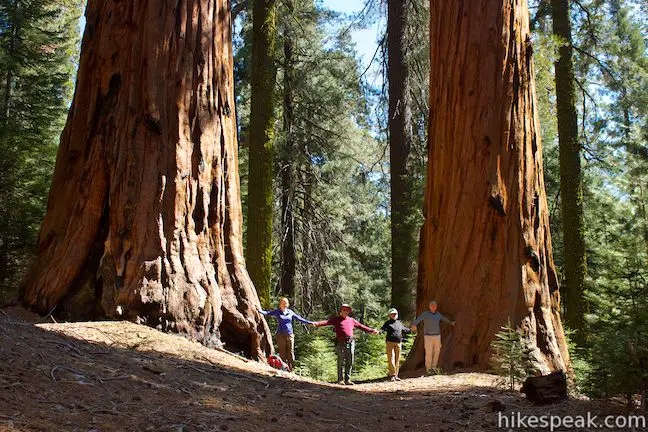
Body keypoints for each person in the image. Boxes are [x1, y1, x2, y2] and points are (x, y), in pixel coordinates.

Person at [313, 304, 379, 385]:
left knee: (350, 361)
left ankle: (347, 379)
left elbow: (361, 326)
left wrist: (372, 330)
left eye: (347, 310)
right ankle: (340, 380)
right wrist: (316, 324)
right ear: (340, 311)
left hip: (351, 342)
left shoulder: (351, 320)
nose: (345, 311)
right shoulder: (336, 319)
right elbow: (326, 322)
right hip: (340, 343)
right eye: (344, 310)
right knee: (340, 361)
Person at [258, 297, 313, 371]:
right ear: (280, 304)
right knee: (282, 352)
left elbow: (299, 318)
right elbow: (268, 313)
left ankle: (291, 369)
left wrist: (309, 323)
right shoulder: (277, 312)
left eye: (286, 303)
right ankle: (283, 368)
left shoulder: (290, 312)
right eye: (283, 303)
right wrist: (259, 311)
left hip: (290, 334)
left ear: (288, 304)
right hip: (280, 335)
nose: (284, 304)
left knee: (290, 352)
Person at [410, 300, 456, 374]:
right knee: (429, 352)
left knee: (437, 351)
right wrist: (413, 324)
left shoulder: (438, 314)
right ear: (429, 307)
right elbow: (418, 319)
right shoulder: (425, 314)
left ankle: (434, 368)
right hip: (428, 336)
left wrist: (451, 323)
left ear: (436, 307)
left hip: (437, 336)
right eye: (432, 305)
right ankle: (428, 369)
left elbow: (444, 319)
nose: (433, 307)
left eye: (435, 306)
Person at [379, 308, 411, 381]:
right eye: (392, 314)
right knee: (391, 358)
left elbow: (405, 329)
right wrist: (379, 332)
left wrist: (412, 329)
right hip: (390, 342)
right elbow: (383, 329)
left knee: (397, 359)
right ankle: (392, 375)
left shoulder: (399, 323)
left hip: (398, 343)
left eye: (395, 314)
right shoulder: (387, 323)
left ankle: (396, 375)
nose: (394, 315)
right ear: (389, 315)